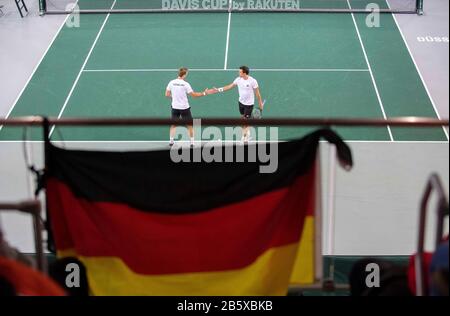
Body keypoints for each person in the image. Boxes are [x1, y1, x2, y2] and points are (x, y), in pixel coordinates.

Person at [212, 66, 264, 142]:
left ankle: (244, 137)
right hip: (241, 102)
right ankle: (247, 132)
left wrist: (260, 104)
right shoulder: (238, 79)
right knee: (243, 118)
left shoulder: (253, 81)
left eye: (240, 72)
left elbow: (257, 94)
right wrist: (219, 89)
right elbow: (229, 86)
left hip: (249, 104)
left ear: (244, 73)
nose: (238, 73)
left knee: (246, 121)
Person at [165, 67, 209, 147]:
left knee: (173, 124)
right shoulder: (186, 84)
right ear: (184, 75)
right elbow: (194, 95)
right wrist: (204, 93)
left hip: (175, 107)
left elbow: (167, 94)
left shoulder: (171, 82)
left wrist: (174, 97)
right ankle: (192, 142)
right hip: (185, 108)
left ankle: (171, 141)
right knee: (189, 125)